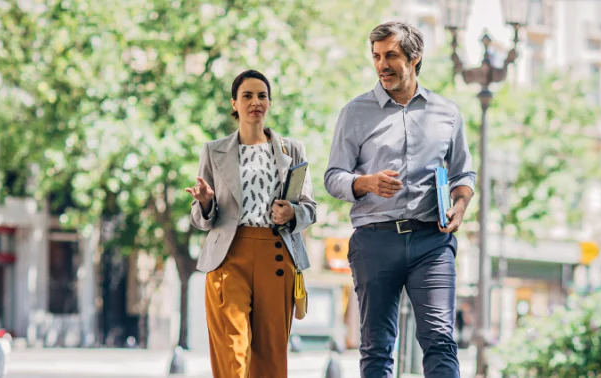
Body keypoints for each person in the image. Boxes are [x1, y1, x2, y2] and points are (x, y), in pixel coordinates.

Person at [325, 21, 477, 378]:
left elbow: (463, 174)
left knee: (440, 338)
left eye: (391, 55)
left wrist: (460, 205)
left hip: (431, 241)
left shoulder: (446, 113)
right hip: (375, 239)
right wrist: (366, 182)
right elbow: (333, 177)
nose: (382, 65)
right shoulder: (355, 112)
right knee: (376, 346)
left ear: (414, 57)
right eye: (376, 56)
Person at [186, 69, 317, 378]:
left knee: (270, 360)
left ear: (269, 103)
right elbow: (201, 219)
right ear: (234, 103)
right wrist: (205, 201)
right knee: (234, 354)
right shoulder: (214, 151)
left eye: (262, 95)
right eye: (247, 95)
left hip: (276, 256)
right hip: (230, 258)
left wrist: (292, 214)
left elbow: (310, 209)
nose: (255, 101)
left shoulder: (292, 149)